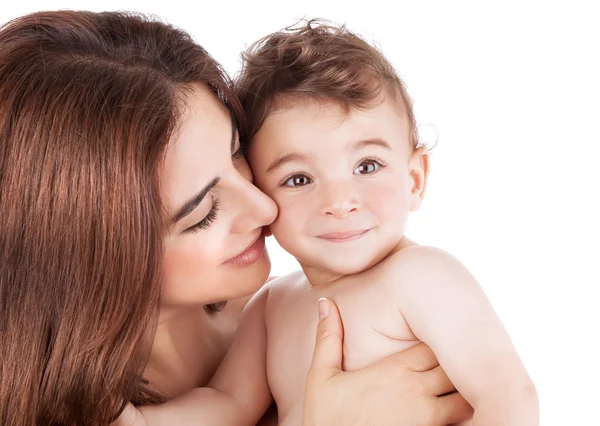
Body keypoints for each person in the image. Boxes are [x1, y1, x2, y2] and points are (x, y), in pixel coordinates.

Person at [0, 11, 472, 426]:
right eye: (202, 214)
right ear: (90, 258)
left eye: (237, 153)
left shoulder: (284, 305)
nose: (265, 208)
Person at [130, 21, 539, 426]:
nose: (339, 202)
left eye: (367, 166)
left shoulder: (422, 277)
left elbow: (508, 395)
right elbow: (229, 402)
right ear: (263, 195)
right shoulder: (272, 306)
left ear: (414, 179)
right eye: (299, 179)